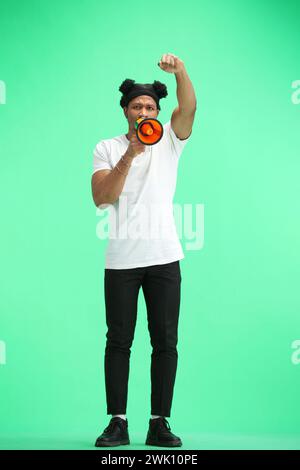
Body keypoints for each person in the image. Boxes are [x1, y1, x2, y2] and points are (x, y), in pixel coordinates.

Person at [91, 53, 197, 447]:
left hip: (165, 257)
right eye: (136, 106)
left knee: (165, 341)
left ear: (157, 111)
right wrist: (130, 154)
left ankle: (159, 423)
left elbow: (189, 107)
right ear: (125, 111)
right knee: (118, 340)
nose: (143, 111)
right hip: (122, 260)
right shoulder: (106, 147)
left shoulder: (170, 140)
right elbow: (102, 197)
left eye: (150, 106)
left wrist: (181, 71)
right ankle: (117, 422)